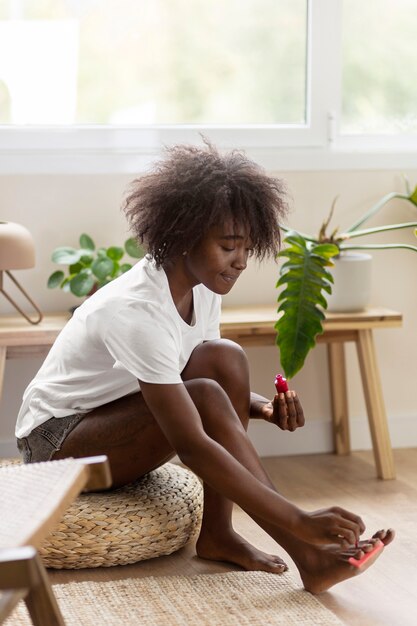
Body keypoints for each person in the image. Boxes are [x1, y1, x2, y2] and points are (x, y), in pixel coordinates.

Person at [15, 142, 393, 594]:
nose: (240, 261)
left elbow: (190, 378)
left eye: (246, 248)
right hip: (54, 446)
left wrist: (261, 408)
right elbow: (191, 442)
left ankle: (218, 533)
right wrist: (299, 519)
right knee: (207, 392)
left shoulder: (203, 286)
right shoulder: (135, 310)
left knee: (225, 357)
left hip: (111, 420)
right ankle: (305, 552)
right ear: (182, 235)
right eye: (229, 246)